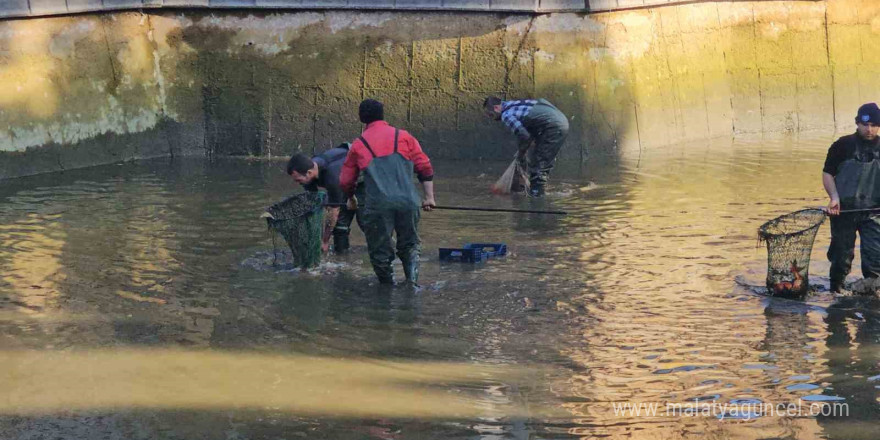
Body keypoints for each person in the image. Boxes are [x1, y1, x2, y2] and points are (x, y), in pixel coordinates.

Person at [339, 99, 436, 285]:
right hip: (409, 202)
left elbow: (345, 181)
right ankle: (412, 285)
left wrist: (351, 198)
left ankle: (386, 293)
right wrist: (429, 198)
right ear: (383, 115)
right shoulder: (404, 136)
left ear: (361, 118)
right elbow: (424, 167)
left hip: (378, 206)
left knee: (380, 251)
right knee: (410, 246)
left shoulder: (359, 144)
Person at [822, 103, 880, 292]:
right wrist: (834, 198)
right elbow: (827, 173)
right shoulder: (842, 145)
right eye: (865, 124)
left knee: (874, 260)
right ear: (857, 123)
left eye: (873, 124)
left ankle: (869, 302)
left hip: (874, 213)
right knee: (841, 259)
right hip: (844, 211)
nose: (869, 129)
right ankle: (835, 293)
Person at [483, 96, 569, 197]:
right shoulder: (517, 104)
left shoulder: (506, 115)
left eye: (490, 114)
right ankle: (538, 188)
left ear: (496, 108)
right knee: (541, 160)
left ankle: (536, 197)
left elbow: (524, 135)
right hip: (561, 122)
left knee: (539, 165)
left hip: (552, 126)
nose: (491, 118)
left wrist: (521, 153)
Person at [287, 143, 364, 254]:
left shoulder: (332, 177)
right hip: (343, 177)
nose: (298, 183)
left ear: (309, 173)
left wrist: (324, 241)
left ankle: (389, 254)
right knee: (339, 227)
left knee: (366, 221)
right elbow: (312, 201)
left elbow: (334, 210)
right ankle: (342, 258)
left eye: (299, 180)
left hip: (362, 179)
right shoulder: (309, 170)